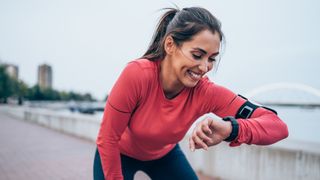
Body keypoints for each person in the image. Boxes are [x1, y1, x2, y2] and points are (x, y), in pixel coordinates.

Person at [93, 6, 289, 180]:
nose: (204, 67)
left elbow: (277, 126)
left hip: (164, 156)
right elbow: (108, 138)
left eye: (212, 58)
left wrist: (230, 128)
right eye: (197, 55)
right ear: (169, 45)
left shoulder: (206, 92)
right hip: (118, 153)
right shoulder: (137, 74)